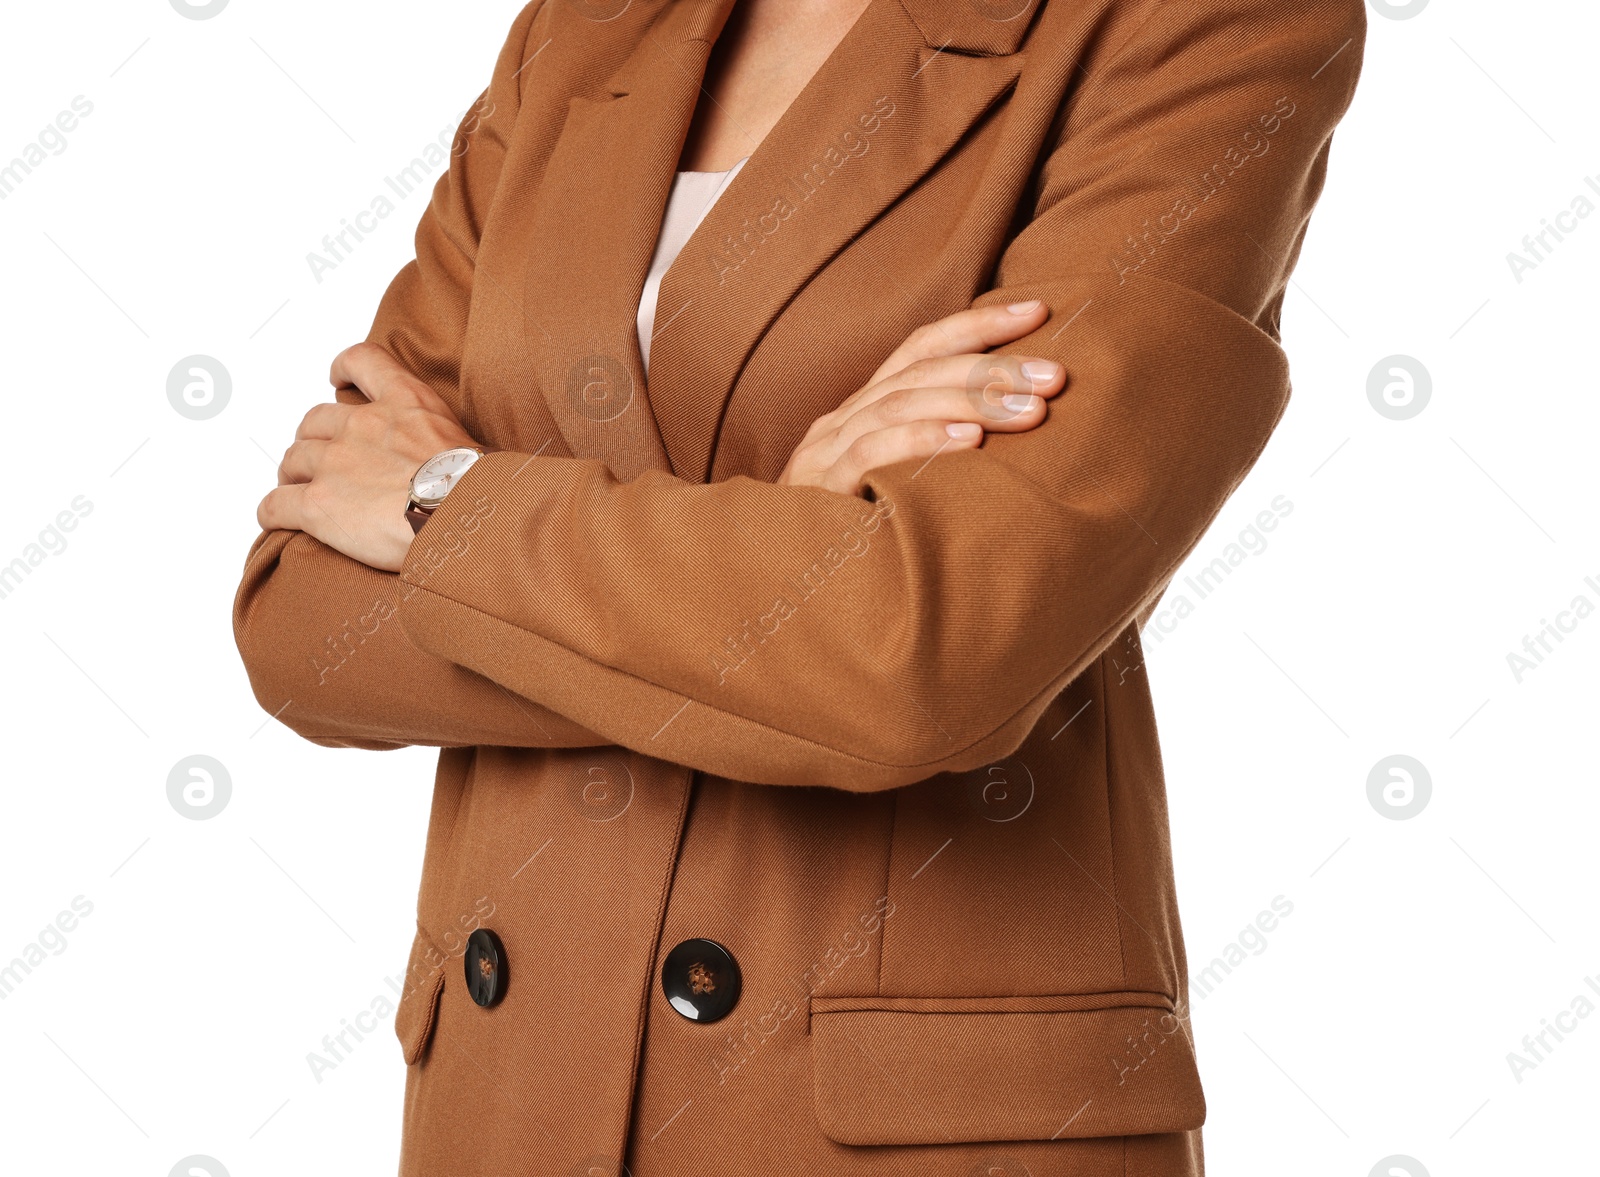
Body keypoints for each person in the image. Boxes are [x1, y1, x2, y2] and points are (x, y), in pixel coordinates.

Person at [233, 0, 1367, 1171]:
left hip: (904, 1131)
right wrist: (794, 544)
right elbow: (300, 623)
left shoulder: (1205, 24)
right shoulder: (577, 30)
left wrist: (438, 504)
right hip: (506, 1096)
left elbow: (925, 656)